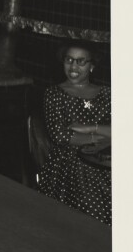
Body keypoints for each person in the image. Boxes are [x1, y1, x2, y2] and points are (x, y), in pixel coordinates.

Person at [38, 41, 111, 225]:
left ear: (92, 65)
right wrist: (104, 136)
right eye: (69, 60)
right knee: (87, 216)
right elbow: (60, 136)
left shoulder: (108, 94)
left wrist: (89, 128)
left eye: (81, 61)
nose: (73, 66)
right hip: (68, 166)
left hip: (103, 162)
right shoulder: (54, 93)